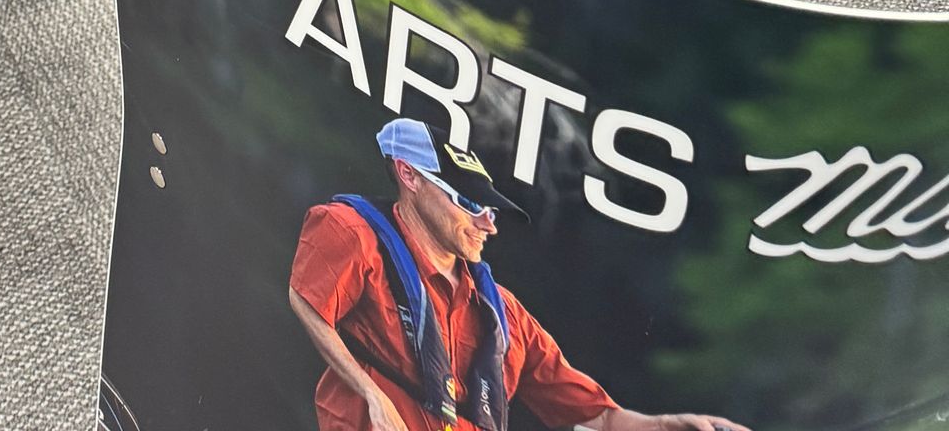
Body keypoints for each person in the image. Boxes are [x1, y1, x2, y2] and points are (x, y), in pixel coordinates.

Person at [288, 119, 750, 431]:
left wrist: (664, 425)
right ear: (410, 177)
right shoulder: (351, 232)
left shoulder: (504, 314)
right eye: (470, 203)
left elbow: (598, 418)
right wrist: (372, 395)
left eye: (491, 210)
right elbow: (306, 300)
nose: (487, 224)